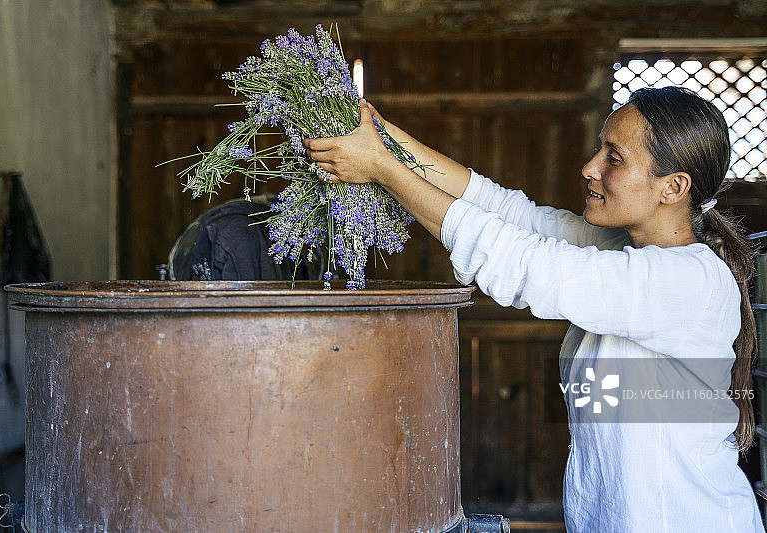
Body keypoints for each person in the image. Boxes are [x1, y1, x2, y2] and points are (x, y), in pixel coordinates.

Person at [304, 86, 763, 532]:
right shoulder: (620, 251)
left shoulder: (689, 281)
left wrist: (384, 169)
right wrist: (385, 136)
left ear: (673, 187)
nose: (589, 167)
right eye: (599, 149)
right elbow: (503, 212)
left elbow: (523, 263)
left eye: (614, 159)